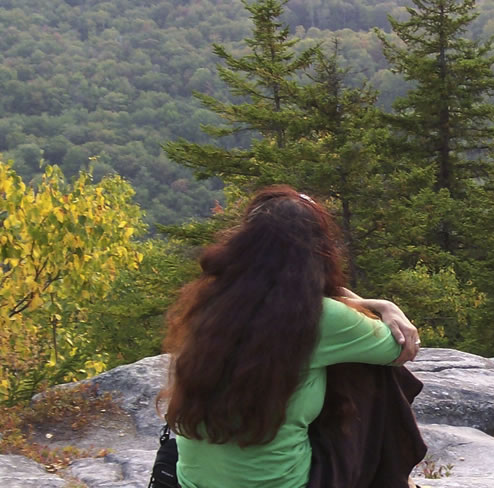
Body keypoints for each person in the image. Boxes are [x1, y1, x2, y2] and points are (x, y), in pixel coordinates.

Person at [160, 185, 426, 488]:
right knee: (371, 370)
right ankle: (394, 482)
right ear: (318, 254)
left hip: (190, 483)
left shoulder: (211, 301)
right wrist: (381, 305)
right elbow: (402, 348)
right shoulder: (318, 317)